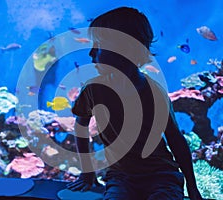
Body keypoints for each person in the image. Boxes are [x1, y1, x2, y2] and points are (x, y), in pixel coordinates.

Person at [67, 7, 202, 200]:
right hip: (121, 176)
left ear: (124, 48)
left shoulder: (154, 92)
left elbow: (175, 140)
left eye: (98, 45)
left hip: (162, 175)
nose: (91, 53)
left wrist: (192, 186)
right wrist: (87, 173)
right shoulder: (93, 89)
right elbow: (81, 125)